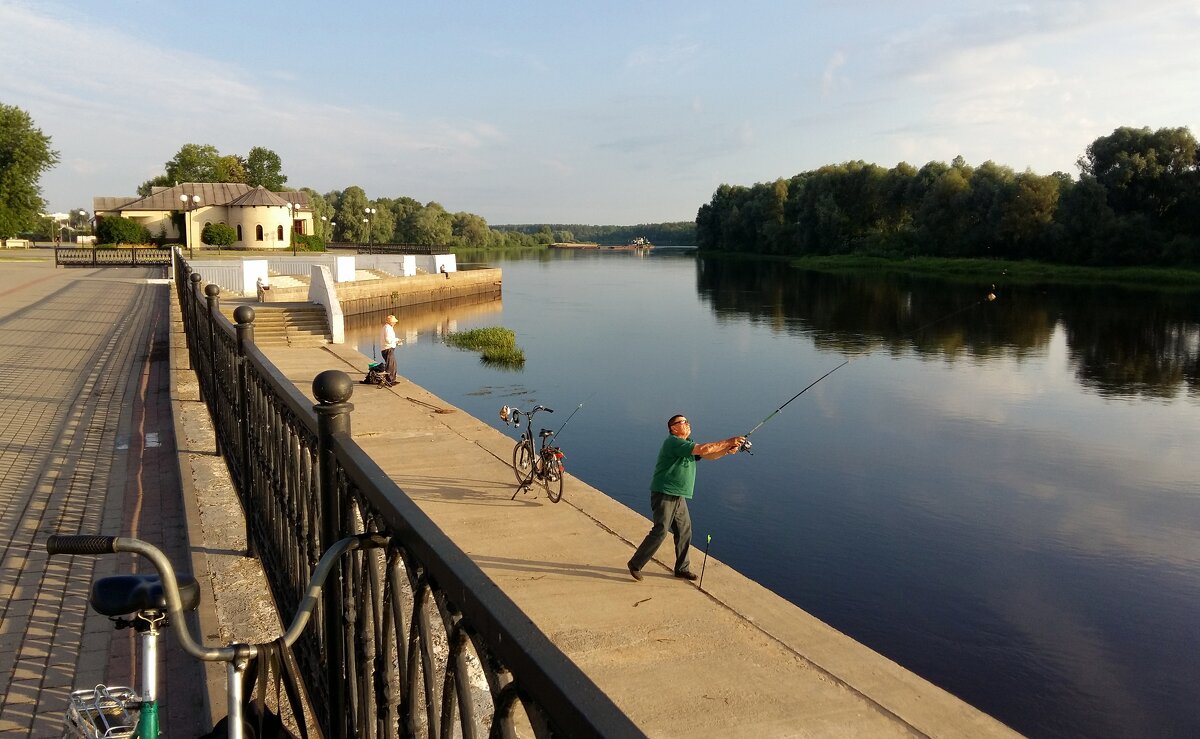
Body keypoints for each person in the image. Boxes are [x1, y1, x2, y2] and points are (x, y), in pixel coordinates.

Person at [627, 415, 745, 582]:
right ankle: (635, 563)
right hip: (664, 493)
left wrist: (726, 449)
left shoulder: (688, 443)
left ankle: (682, 569)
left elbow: (708, 455)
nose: (687, 423)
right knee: (661, 530)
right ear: (673, 428)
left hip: (678, 495)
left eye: (687, 421)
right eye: (682, 422)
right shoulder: (673, 442)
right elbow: (704, 449)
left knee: (684, 531)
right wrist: (728, 441)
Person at [380, 314, 399, 386]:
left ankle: (392, 379)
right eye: (394, 322)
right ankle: (389, 380)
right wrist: (396, 340)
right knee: (391, 365)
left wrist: (396, 342)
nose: (395, 323)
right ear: (391, 322)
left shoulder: (388, 327)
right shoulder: (387, 328)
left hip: (388, 349)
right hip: (387, 349)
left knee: (392, 365)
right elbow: (388, 340)